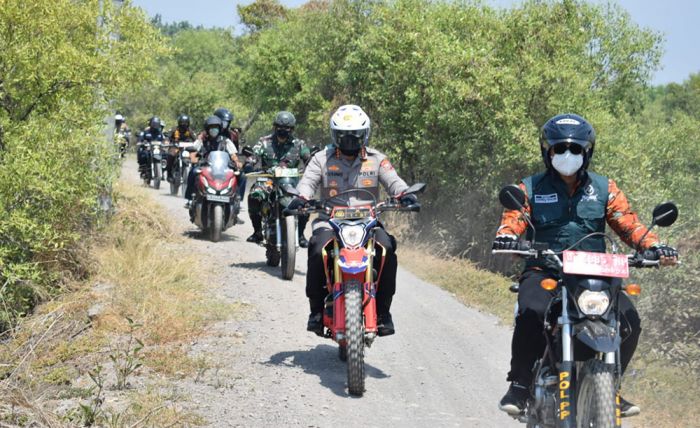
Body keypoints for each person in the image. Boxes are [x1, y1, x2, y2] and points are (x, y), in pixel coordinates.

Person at [493, 113, 679, 418]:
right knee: (531, 311)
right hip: (546, 270)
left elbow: (629, 224)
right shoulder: (529, 188)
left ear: (587, 152)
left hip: (596, 274)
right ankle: (520, 385)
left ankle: (611, 388)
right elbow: (512, 221)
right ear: (547, 151)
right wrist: (506, 237)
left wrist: (654, 247)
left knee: (630, 320)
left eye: (576, 149)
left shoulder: (605, 189)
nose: (568, 155)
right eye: (560, 149)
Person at [289, 104, 418, 336]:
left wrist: (404, 195)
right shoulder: (321, 159)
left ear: (365, 134)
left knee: (387, 248)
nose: (349, 141)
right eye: (343, 136)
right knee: (317, 249)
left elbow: (394, 181)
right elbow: (307, 182)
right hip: (329, 219)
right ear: (334, 134)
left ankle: (383, 312)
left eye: (355, 136)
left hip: (368, 221)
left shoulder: (377, 159)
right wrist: (301, 197)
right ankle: (316, 311)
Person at [245, 111, 311, 247]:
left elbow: (308, 159)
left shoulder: (299, 144)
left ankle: (300, 235)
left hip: (292, 183)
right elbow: (254, 155)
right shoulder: (264, 142)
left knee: (305, 203)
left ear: (292, 129)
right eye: (280, 127)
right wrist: (249, 163)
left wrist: (312, 165)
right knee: (254, 196)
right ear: (275, 127)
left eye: (287, 128)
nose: (283, 130)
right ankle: (257, 232)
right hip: (268, 181)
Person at [184, 116, 241, 208]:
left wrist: (236, 161)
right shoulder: (202, 139)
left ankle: (236, 202)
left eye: (216, 127)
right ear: (207, 129)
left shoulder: (225, 141)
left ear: (219, 128)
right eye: (211, 127)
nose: (213, 129)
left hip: (223, 168)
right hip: (206, 167)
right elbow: (194, 150)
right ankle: (190, 199)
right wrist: (193, 158)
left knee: (239, 175)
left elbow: (233, 154)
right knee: (193, 172)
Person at [167, 114, 196, 182]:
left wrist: (197, 142)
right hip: (176, 147)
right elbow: (168, 136)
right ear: (179, 123)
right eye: (182, 123)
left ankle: (195, 173)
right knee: (171, 155)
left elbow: (195, 138)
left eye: (185, 123)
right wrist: (167, 141)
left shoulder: (189, 130)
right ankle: (169, 174)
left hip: (187, 149)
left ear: (188, 123)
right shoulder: (174, 129)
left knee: (196, 156)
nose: (184, 125)